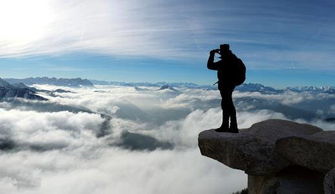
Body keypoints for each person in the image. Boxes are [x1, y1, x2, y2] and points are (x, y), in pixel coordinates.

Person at [207, 44, 244, 133]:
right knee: (226, 104)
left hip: (225, 85)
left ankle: (230, 126)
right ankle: (229, 126)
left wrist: (212, 54)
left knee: (227, 104)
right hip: (230, 85)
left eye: (221, 51)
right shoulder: (234, 60)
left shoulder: (225, 61)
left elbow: (210, 66)